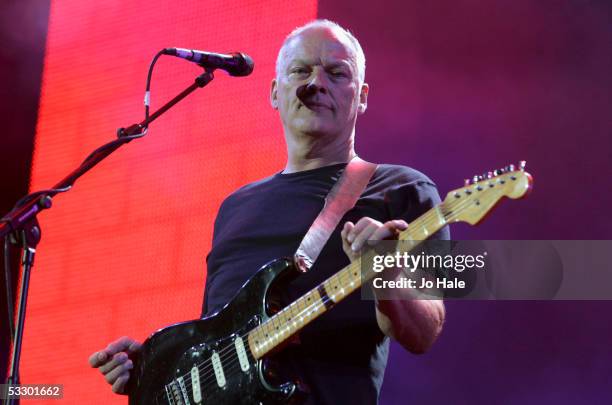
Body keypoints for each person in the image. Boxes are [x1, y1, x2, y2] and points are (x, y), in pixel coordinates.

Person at [89, 19, 449, 404]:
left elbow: (426, 331)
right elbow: (216, 340)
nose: (316, 83)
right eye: (301, 70)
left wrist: (386, 274)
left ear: (361, 97)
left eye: (335, 72)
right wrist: (155, 371)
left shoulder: (405, 189)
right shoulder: (235, 207)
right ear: (276, 93)